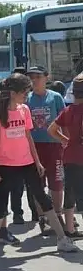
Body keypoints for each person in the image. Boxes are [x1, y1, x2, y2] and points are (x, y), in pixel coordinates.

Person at [0, 73, 78, 256]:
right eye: (23, 92)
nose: (26, 96)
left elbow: (28, 137)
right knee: (0, 202)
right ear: (12, 93)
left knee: (43, 199)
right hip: (5, 164)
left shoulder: (24, 110)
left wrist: (37, 162)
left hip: (27, 162)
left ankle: (62, 239)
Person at [20, 66, 66, 227]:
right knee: (38, 183)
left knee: (56, 181)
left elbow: (64, 121)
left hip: (54, 145)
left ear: (46, 77)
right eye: (31, 77)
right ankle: (43, 217)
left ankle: (58, 214)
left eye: (38, 77)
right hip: (34, 147)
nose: (34, 80)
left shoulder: (56, 97)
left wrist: (66, 141)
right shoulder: (27, 100)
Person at [48, 72, 83, 237]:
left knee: (70, 192)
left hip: (70, 156)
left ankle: (69, 229)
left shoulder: (68, 110)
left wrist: (65, 140)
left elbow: (51, 130)